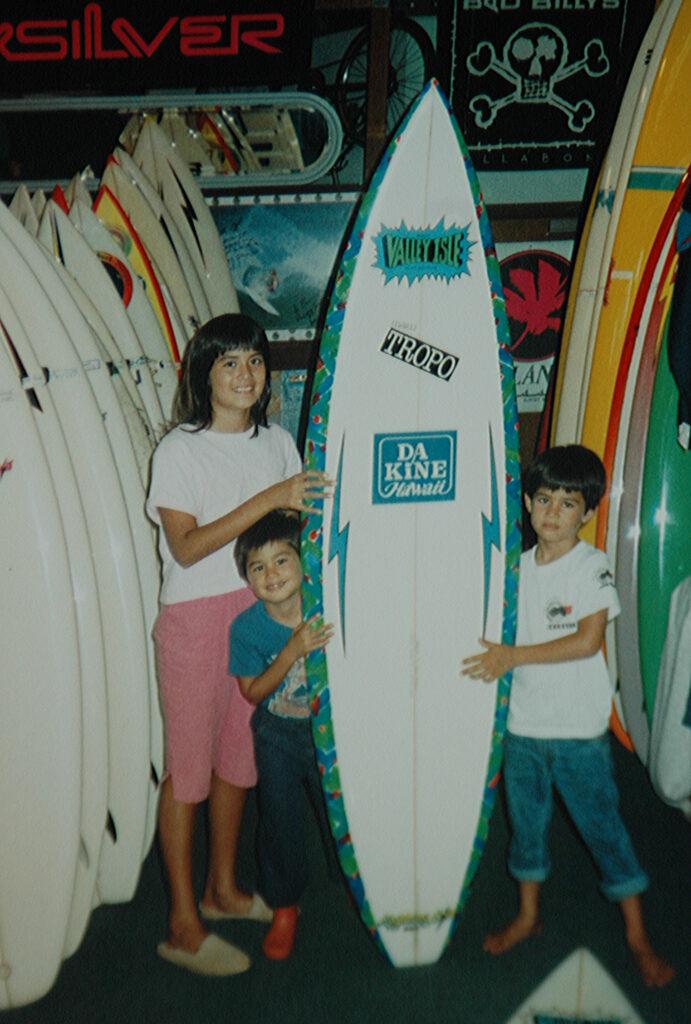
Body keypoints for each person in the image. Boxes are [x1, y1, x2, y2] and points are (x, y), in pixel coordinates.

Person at [146, 313, 331, 976]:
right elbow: (188, 546)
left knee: (237, 762)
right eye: (229, 363)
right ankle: (181, 923)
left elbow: (296, 528)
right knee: (189, 773)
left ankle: (221, 890)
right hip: (196, 615)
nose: (245, 374)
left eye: (254, 361)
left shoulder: (278, 441)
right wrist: (270, 497)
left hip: (259, 610)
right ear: (204, 373)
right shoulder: (179, 450)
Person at [461, 444, 675, 988]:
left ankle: (637, 936)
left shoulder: (592, 566)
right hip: (524, 729)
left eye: (568, 502)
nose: (553, 512)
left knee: (605, 831)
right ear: (528, 505)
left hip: (578, 732)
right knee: (526, 831)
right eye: (544, 499)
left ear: (588, 511)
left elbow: (587, 641)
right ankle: (528, 918)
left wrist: (512, 657)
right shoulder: (514, 569)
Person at [230, 510, 337, 960]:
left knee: (344, 809)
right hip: (277, 737)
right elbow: (252, 691)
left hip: (331, 734)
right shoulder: (247, 628)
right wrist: (292, 648)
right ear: (247, 579)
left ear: (303, 562)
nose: (271, 574)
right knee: (279, 823)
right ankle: (285, 904)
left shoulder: (328, 606)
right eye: (258, 567)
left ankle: (356, 877)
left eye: (281, 560)